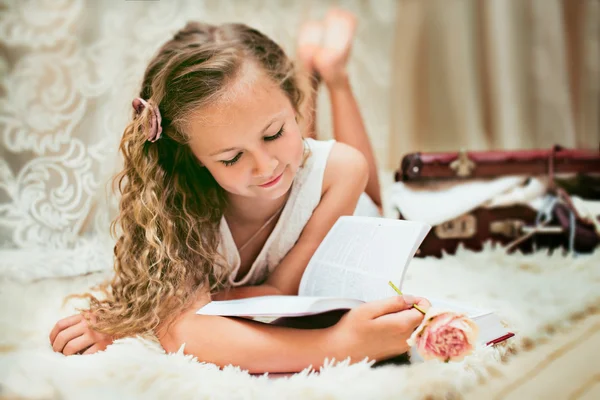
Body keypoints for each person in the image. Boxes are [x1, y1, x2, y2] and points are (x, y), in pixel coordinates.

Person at [49, 9, 429, 374]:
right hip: (296, 166)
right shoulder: (177, 198)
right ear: (194, 157)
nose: (264, 166)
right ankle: (308, 79)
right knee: (288, 154)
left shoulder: (341, 171)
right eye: (231, 158)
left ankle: (332, 73)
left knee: (363, 185)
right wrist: (341, 345)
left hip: (349, 210)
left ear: (295, 102)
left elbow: (282, 291)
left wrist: (170, 306)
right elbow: (183, 329)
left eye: (274, 132)